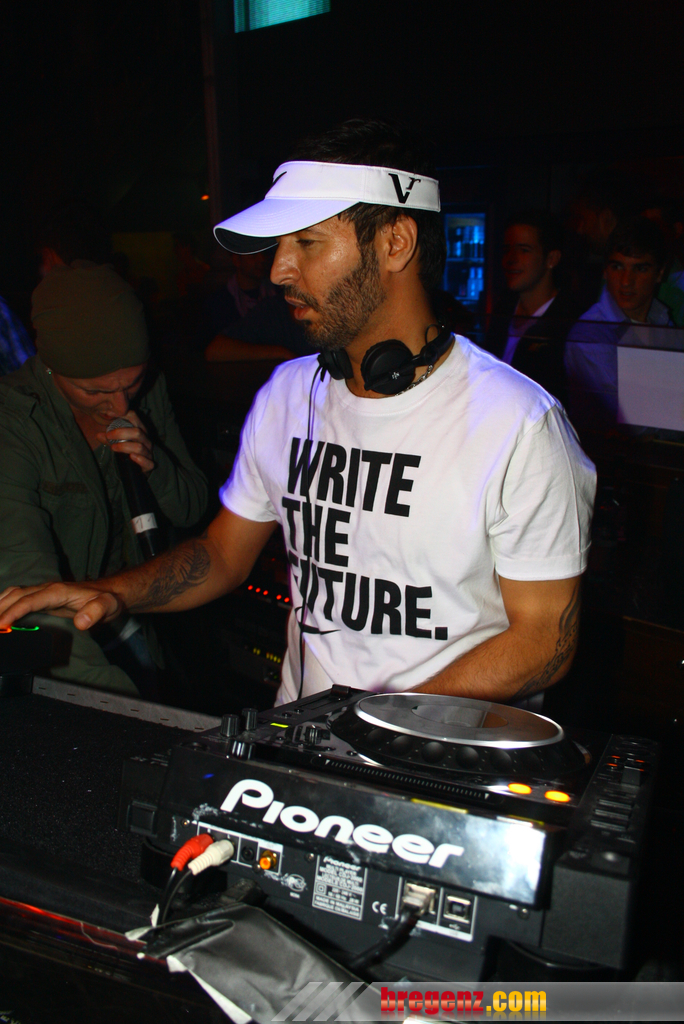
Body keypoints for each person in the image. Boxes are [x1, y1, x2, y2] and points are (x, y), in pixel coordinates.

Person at [0, 120, 595, 709]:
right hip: (303, 735)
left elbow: (545, 640)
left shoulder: (519, 424)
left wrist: (374, 722)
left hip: (435, 751)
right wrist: (111, 593)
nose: (278, 269)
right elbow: (222, 555)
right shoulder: (287, 394)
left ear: (395, 242)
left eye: (306, 242)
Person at [0, 261, 208, 695]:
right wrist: (117, 707)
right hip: (61, 640)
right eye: (95, 391)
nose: (119, 405)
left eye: (132, 383)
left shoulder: (150, 390)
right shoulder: (13, 423)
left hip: (132, 615)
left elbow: (191, 508)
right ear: (51, 365)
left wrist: (154, 464)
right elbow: (25, 585)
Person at [565, 217, 674, 432]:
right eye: (617, 267)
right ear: (605, 270)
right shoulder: (590, 334)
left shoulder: (662, 321)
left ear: (659, 273)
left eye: (640, 269)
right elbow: (632, 423)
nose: (626, 281)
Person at [484, 210, 578, 403]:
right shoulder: (501, 313)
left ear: (551, 259)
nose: (511, 258)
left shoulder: (570, 323)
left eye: (524, 250)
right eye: (507, 249)